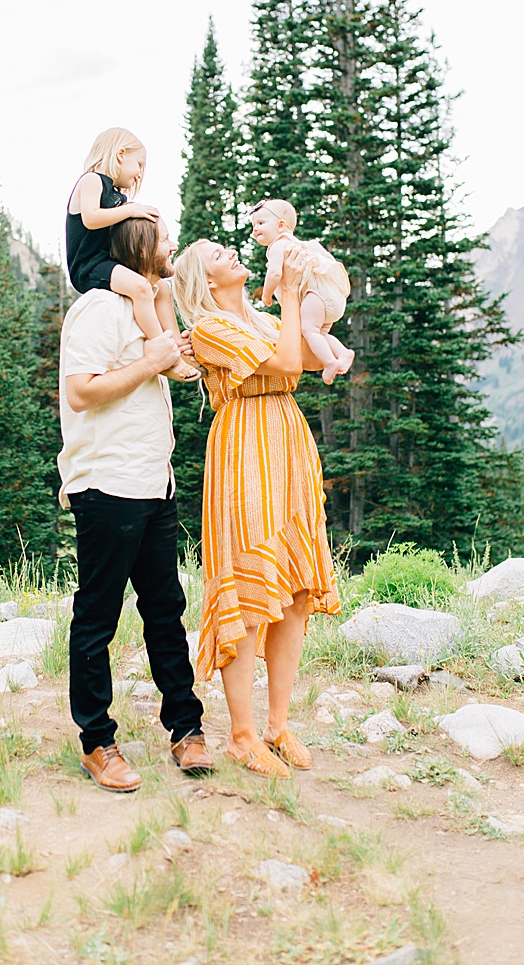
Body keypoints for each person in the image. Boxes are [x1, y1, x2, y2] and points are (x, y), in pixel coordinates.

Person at [171, 237, 342, 776]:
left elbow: (307, 362)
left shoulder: (262, 318)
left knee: (293, 590)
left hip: (287, 442)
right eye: (217, 255)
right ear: (205, 281)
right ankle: (242, 736)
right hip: (244, 449)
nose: (232, 254)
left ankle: (278, 726)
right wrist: (292, 298)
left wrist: (318, 301)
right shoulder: (210, 328)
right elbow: (288, 359)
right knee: (247, 592)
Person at [58, 215, 213, 792]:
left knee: (165, 611)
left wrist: (173, 319)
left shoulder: (149, 309)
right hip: (107, 485)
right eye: (164, 236)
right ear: (137, 245)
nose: (172, 243)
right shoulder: (99, 308)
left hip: (154, 484)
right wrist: (149, 362)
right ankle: (97, 742)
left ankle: (185, 728)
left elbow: (182, 366)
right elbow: (80, 391)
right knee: (98, 617)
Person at [64, 127, 199, 381]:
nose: (139, 174)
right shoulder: (91, 180)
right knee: (141, 288)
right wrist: (130, 210)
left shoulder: (116, 195)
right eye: (139, 165)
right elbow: (91, 219)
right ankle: (163, 351)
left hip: (108, 260)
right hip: (89, 266)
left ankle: (176, 349)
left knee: (163, 289)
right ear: (120, 155)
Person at [249, 197, 354, 384]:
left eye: (260, 223)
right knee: (317, 335)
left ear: (281, 225)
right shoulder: (299, 244)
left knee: (309, 330)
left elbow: (273, 273)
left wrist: (266, 295)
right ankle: (343, 352)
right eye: (253, 225)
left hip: (317, 296)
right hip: (331, 296)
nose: (255, 229)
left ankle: (330, 362)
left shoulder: (278, 245)